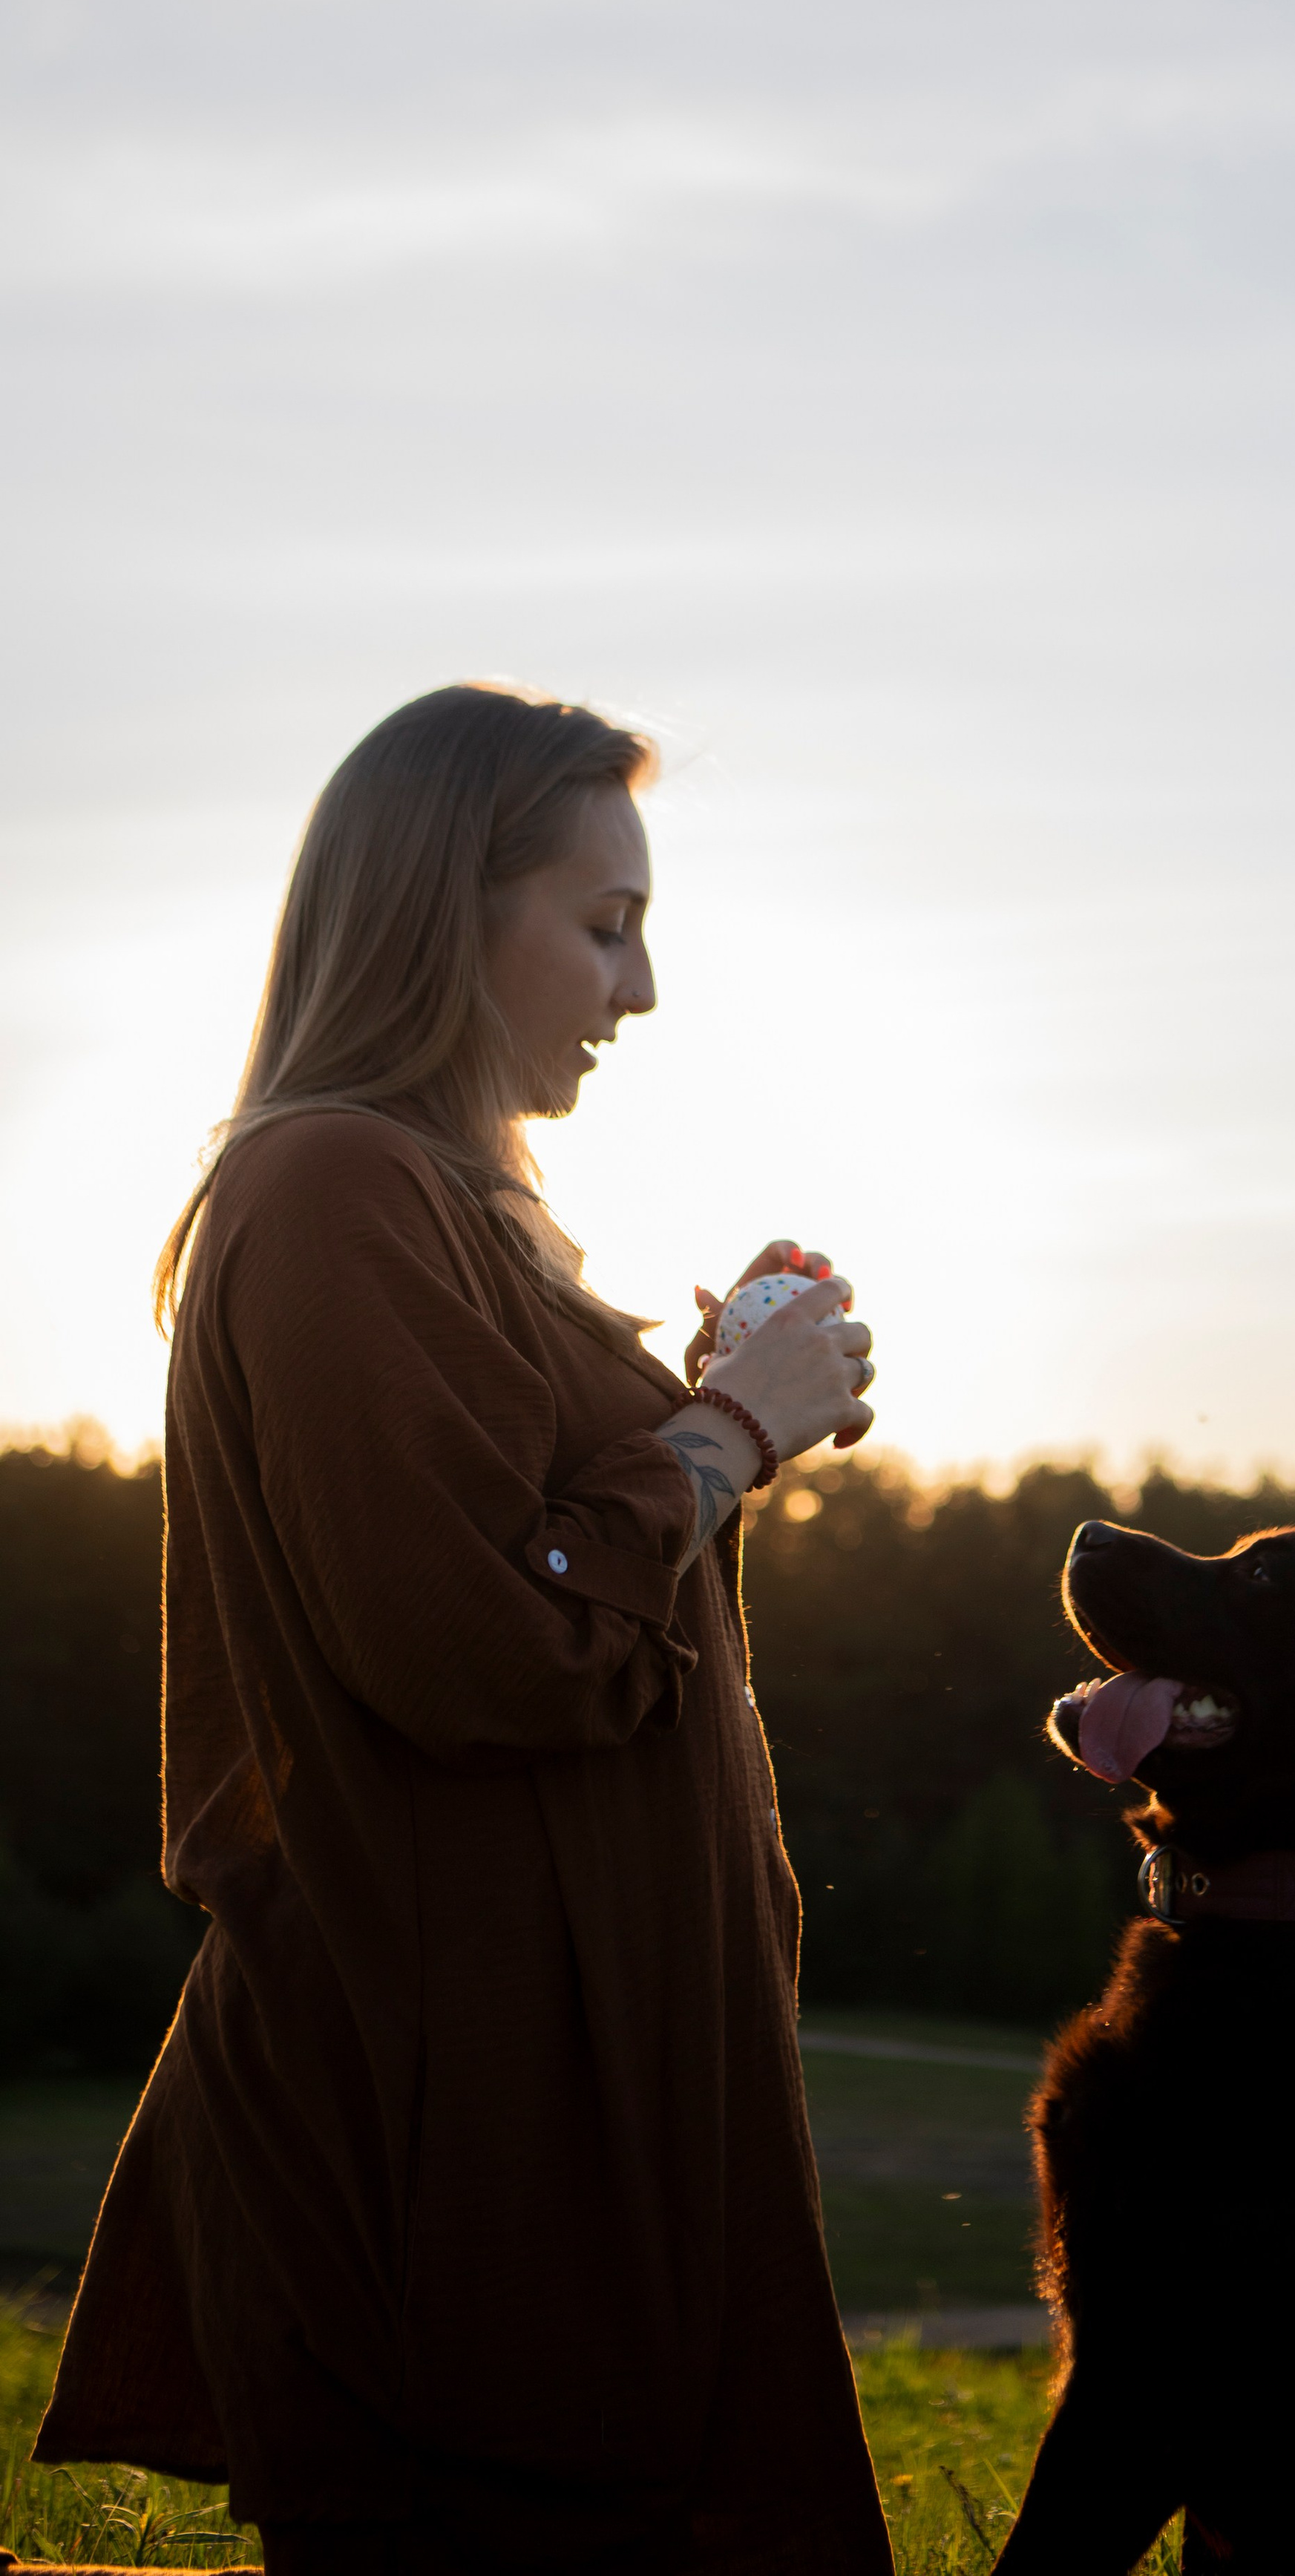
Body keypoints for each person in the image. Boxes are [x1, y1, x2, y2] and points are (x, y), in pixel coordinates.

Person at [35, 684, 892, 2575]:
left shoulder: (450, 1209)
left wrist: (710, 1399)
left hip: (550, 2139)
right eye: (603, 925)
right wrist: (727, 1427)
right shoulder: (331, 1185)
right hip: (455, 2159)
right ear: (444, 910)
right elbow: (489, 1646)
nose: (640, 990)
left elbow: (543, 1553)